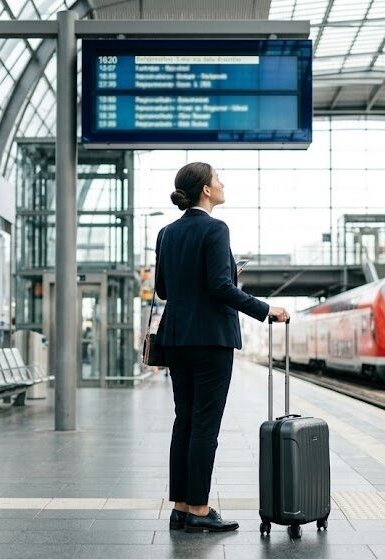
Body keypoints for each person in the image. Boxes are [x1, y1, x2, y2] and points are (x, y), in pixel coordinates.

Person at [155, 162, 289, 533]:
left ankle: (180, 506)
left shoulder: (166, 232)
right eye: (218, 179)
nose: (223, 183)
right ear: (206, 190)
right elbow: (219, 288)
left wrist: (220, 276)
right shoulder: (216, 228)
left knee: (184, 420)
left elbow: (165, 290)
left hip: (177, 340)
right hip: (211, 340)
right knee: (204, 426)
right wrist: (266, 310)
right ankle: (198, 508)